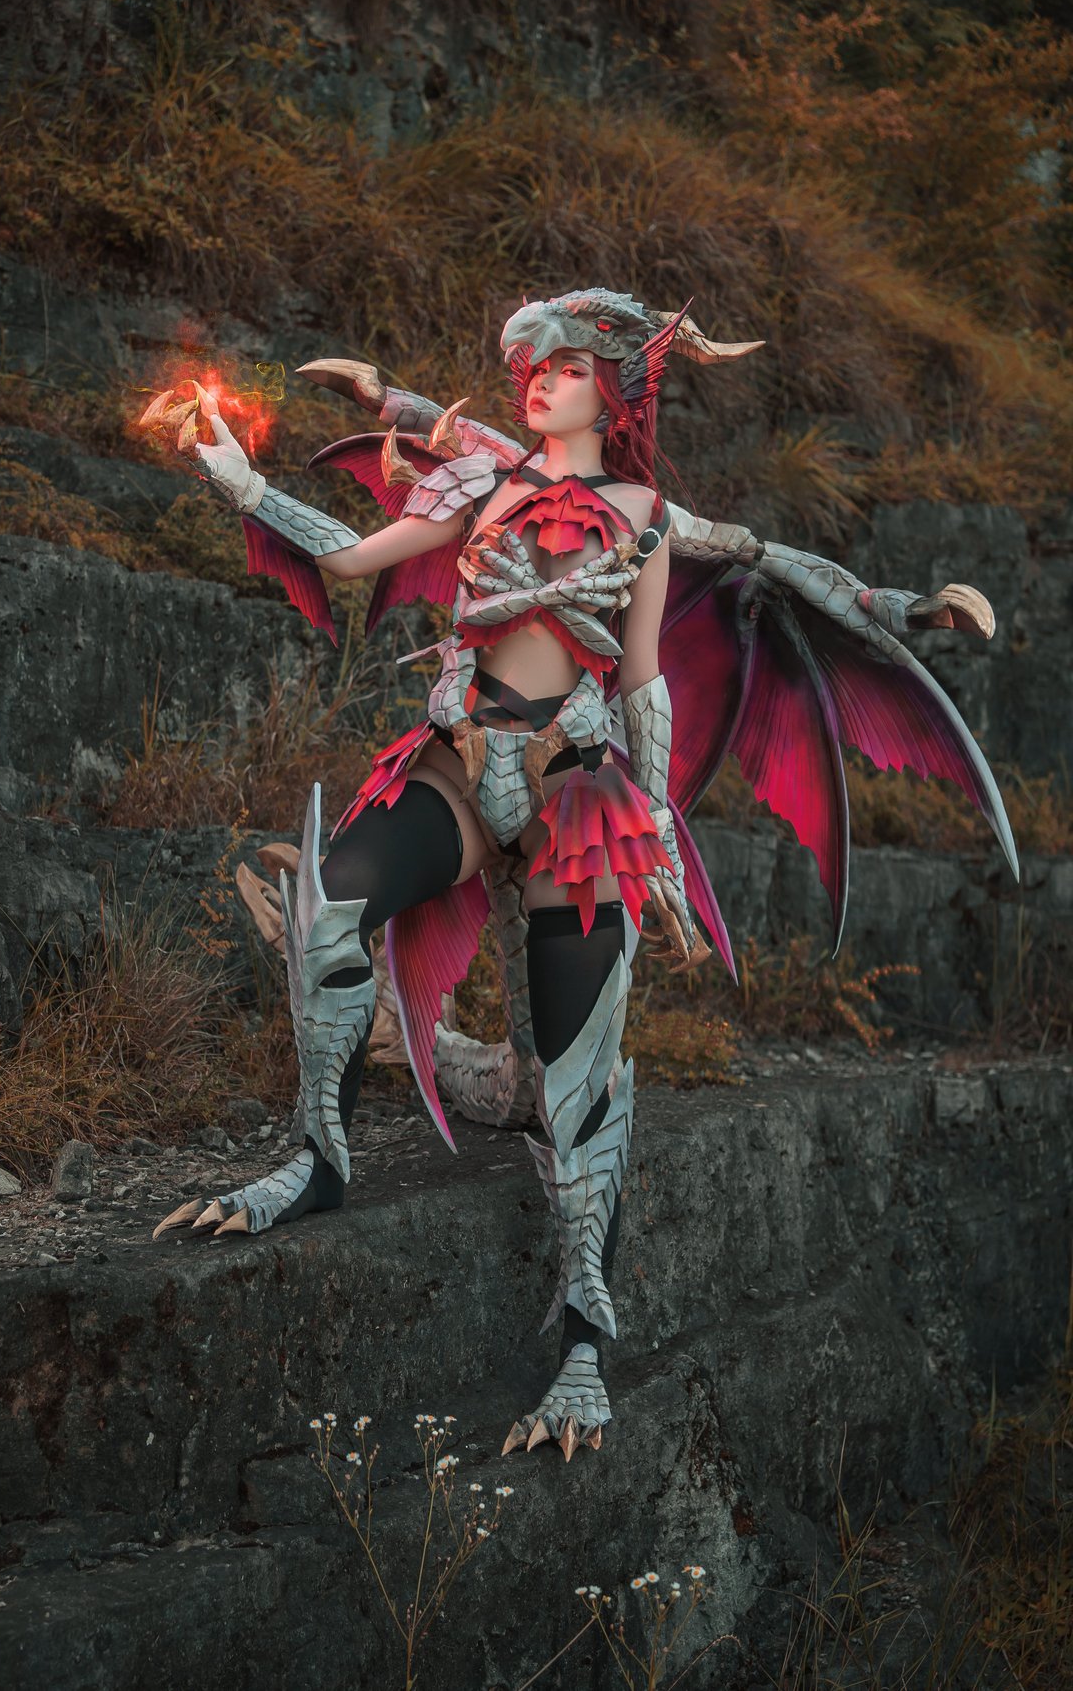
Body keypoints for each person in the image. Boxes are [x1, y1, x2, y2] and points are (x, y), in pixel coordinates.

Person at [153, 288, 1016, 1461]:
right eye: (532, 366)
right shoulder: (481, 480)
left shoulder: (648, 518)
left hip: (577, 785)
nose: (537, 381)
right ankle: (318, 1159)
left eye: (562, 368)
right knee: (331, 904)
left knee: (577, 1075)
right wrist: (245, 486)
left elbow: (650, 677)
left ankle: (581, 1348)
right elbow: (354, 557)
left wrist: (889, 614)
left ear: (609, 392)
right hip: (461, 758)